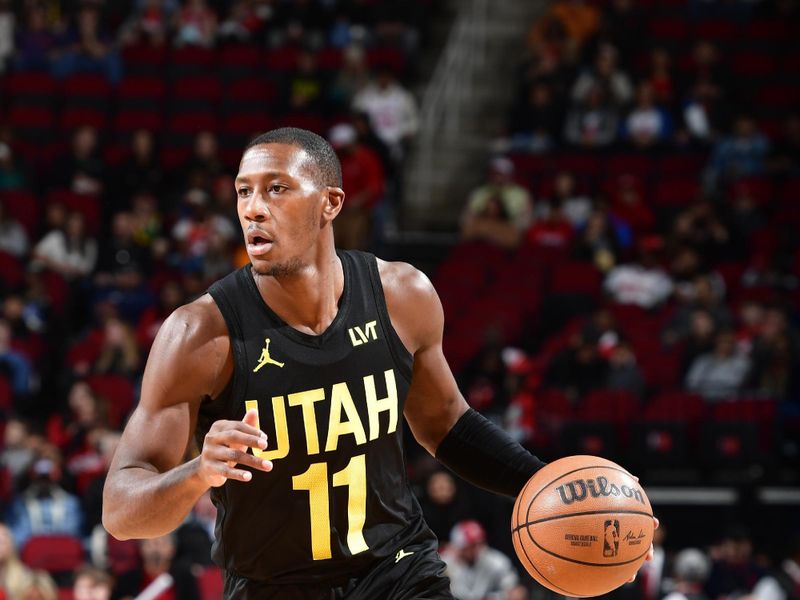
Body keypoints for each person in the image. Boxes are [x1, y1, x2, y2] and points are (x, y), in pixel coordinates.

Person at [102, 127, 656, 598]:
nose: (253, 208)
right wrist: (197, 473)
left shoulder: (403, 295)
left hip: (397, 569)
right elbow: (121, 512)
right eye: (244, 192)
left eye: (277, 189)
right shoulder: (200, 334)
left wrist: (546, 486)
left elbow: (446, 424)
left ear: (331, 203)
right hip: (275, 585)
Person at [441, 520, 519, 600]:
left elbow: (517, 593)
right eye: (472, 545)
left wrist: (495, 597)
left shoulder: (495, 561)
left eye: (479, 543)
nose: (478, 548)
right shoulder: (444, 563)